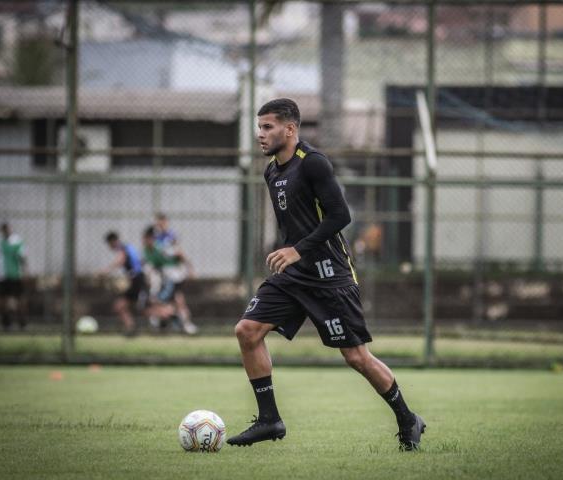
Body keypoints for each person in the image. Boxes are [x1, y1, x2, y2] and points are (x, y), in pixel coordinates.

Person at [227, 98, 425, 451]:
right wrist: (285, 251)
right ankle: (270, 419)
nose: (261, 134)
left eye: (268, 127)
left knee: (356, 357)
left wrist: (297, 249)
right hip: (293, 275)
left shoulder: (313, 164)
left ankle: (408, 419)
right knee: (247, 330)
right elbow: (294, 224)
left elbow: (339, 216)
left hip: (328, 274)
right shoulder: (272, 170)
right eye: (259, 127)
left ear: (290, 129)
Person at [142, 226, 198, 335]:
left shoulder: (161, 248)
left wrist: (190, 269)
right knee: (171, 301)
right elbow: (150, 266)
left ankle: (183, 323)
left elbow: (179, 254)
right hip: (164, 279)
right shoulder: (147, 251)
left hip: (174, 277)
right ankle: (175, 322)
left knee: (176, 300)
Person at [99, 231, 147, 337]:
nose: (109, 247)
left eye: (109, 244)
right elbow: (140, 261)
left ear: (113, 241)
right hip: (137, 280)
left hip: (136, 281)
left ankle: (131, 328)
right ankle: (131, 328)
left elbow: (121, 260)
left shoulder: (122, 249)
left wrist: (105, 271)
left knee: (139, 308)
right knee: (121, 306)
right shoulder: (129, 247)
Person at [0, 222, 27, 331]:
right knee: (2, 301)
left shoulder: (17, 241)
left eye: (7, 229)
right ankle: (6, 324)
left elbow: (22, 257)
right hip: (2, 276)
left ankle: (22, 322)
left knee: (18, 300)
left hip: (15, 275)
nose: (6, 232)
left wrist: (24, 270)